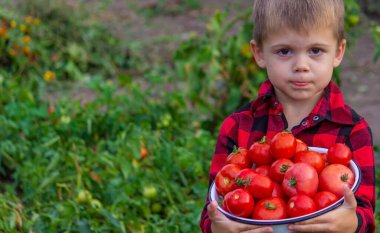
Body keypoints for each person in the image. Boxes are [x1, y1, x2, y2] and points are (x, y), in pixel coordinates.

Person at [199, 0, 376, 232]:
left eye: (315, 51)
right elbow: (214, 208)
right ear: (259, 53)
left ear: (338, 52)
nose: (301, 65)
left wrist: (351, 223)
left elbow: (365, 212)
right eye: (284, 51)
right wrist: (218, 228)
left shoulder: (353, 130)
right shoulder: (238, 126)